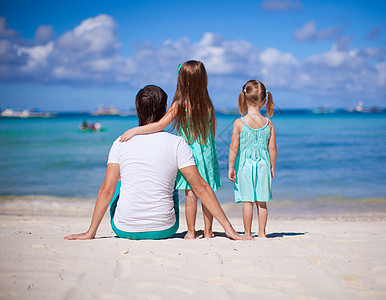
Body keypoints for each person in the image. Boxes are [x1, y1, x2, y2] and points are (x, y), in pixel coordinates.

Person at [64, 85, 242, 241]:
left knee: (118, 180)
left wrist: (90, 232)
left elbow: (106, 191)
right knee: (171, 180)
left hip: (124, 229)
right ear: (165, 109)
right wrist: (229, 228)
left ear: (137, 110)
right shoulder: (178, 142)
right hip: (164, 229)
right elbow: (201, 188)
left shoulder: (120, 142)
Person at [120, 61, 221, 239]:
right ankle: (208, 232)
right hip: (207, 152)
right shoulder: (208, 104)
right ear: (203, 80)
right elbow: (211, 132)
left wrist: (136, 130)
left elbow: (159, 125)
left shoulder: (179, 104)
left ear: (182, 80)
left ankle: (190, 232)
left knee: (190, 194)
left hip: (187, 153)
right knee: (206, 192)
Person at [228, 80, 277, 239]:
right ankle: (262, 233)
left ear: (244, 99)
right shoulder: (268, 123)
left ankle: (248, 233)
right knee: (262, 202)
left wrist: (230, 166)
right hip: (263, 164)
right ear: (264, 101)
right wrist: (272, 166)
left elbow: (234, 147)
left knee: (247, 201)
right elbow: (273, 148)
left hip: (245, 166)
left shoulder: (239, 123)